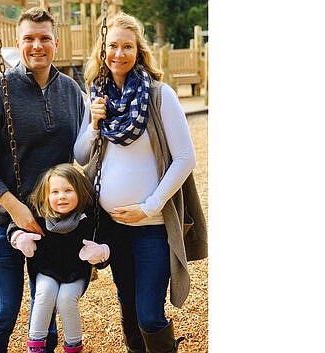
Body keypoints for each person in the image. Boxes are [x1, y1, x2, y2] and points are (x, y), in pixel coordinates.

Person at [74, 12, 206, 353]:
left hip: (152, 225)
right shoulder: (98, 98)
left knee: (149, 314)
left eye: (127, 46)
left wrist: (150, 205)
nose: (119, 53)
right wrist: (93, 124)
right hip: (114, 227)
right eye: (112, 46)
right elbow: (81, 156)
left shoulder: (160, 96)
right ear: (102, 50)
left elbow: (184, 159)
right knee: (128, 308)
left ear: (139, 51)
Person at [0, 7, 85, 353]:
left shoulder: (72, 92)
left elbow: (88, 147)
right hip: (3, 219)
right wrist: (13, 205)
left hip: (52, 222)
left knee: (47, 310)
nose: (37, 45)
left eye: (44, 38)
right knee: (3, 310)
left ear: (56, 43)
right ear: (18, 43)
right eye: (29, 38)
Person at [7, 163, 110, 353]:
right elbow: (14, 225)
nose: (61, 196)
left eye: (68, 190)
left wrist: (102, 250)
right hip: (46, 268)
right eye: (55, 192)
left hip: (76, 272)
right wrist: (19, 237)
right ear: (46, 196)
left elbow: (108, 235)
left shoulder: (89, 214)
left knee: (66, 298)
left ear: (79, 191)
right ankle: (36, 346)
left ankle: (73, 347)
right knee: (45, 292)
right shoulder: (38, 211)